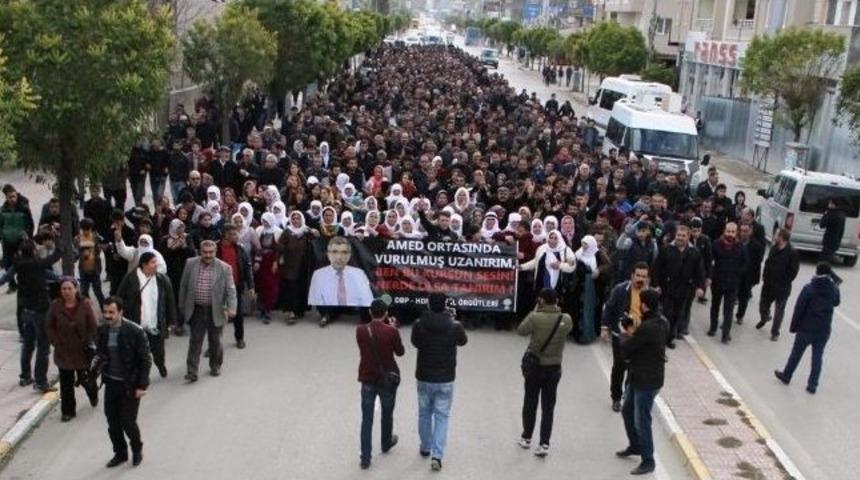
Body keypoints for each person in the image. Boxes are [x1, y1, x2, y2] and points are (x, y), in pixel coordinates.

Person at [410, 293, 468, 471]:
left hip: (424, 375)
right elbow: (463, 341)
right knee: (442, 416)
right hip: (446, 378)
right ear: (445, 305)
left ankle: (425, 446)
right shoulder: (454, 325)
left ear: (428, 305)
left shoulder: (419, 324)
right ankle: (437, 455)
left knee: (424, 413)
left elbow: (415, 342)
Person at [94, 297, 152, 468]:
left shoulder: (135, 331)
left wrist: (142, 385)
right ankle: (120, 453)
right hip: (111, 383)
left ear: (121, 312)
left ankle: (137, 449)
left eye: (111, 312)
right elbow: (102, 353)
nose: (108, 315)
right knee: (112, 423)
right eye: (105, 312)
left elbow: (145, 359)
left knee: (128, 422)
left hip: (130, 384)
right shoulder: (103, 330)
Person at [615, 288, 667, 476]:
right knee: (627, 410)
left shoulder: (648, 327)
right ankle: (636, 445)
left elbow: (627, 350)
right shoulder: (661, 322)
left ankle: (648, 460)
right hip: (641, 376)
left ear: (644, 305)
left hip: (646, 381)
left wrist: (624, 333)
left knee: (642, 420)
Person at [516, 288, 573, 457]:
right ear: (557, 301)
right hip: (554, 367)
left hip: (535, 366)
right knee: (548, 407)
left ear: (541, 300)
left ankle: (526, 438)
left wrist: (535, 311)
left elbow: (521, 330)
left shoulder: (535, 317)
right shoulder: (566, 319)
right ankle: (544, 443)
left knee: (530, 403)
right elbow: (567, 329)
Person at [774, 263, 841, 394]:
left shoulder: (809, 288)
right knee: (817, 356)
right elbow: (837, 302)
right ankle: (813, 384)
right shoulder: (833, 289)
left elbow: (799, 308)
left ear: (817, 272)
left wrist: (793, 327)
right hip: (823, 330)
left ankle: (787, 375)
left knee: (796, 353)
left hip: (806, 327)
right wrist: (834, 283)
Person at [178, 240, 238, 382]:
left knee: (215, 341)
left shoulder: (225, 268)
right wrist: (181, 305)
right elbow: (183, 286)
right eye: (205, 252)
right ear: (200, 251)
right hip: (196, 309)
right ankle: (192, 371)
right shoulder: (190, 264)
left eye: (211, 252)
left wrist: (232, 308)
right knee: (195, 341)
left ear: (215, 252)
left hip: (216, 309)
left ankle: (215, 366)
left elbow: (231, 290)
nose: (208, 255)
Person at [356, 298, 405, 469]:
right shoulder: (391, 331)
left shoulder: (361, 330)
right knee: (387, 412)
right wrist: (393, 328)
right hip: (387, 379)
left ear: (370, 312)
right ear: (385, 314)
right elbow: (400, 352)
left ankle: (365, 457)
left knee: (366, 419)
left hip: (367, 377)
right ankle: (386, 442)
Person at [46, 277, 99, 422]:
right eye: (64, 289)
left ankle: (93, 393)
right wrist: (55, 342)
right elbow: (49, 326)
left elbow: (93, 326)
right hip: (64, 351)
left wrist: (99, 345)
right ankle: (68, 411)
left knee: (86, 379)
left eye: (70, 288)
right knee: (66, 383)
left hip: (82, 350)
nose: (67, 291)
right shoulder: (55, 306)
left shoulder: (85, 305)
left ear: (76, 289)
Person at [115, 252, 176, 378]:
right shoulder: (130, 279)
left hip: (156, 324)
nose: (156, 265)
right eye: (153, 262)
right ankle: (141, 376)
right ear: (144, 264)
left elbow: (170, 301)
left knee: (158, 351)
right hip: (136, 323)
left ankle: (160, 364)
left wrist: (172, 321)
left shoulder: (162, 280)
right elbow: (119, 298)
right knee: (139, 353)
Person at [12, 239, 62, 392]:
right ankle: (40, 381)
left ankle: (25, 376)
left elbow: (7, 276)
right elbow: (55, 256)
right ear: (33, 251)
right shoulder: (37, 263)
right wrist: (58, 241)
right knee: (43, 347)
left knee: (28, 344)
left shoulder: (18, 263)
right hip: (40, 310)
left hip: (26, 309)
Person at [601, 262, 650, 412]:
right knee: (619, 367)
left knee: (634, 369)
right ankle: (616, 398)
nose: (640, 279)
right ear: (632, 275)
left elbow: (655, 313)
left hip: (640, 337)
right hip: (621, 335)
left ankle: (629, 398)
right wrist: (604, 327)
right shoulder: (620, 289)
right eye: (638, 275)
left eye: (643, 276)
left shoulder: (649, 293)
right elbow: (609, 308)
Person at [652, 225, 705, 347]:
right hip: (668, 288)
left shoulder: (694, 252)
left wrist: (700, 287)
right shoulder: (666, 249)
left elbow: (700, 271)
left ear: (688, 237)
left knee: (678, 315)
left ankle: (670, 337)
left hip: (685, 289)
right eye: (678, 235)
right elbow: (657, 268)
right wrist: (656, 284)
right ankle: (663, 338)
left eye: (683, 236)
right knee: (666, 314)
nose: (680, 238)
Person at [308, 236, 374, 324]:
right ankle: (327, 315)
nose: (339, 257)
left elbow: (366, 299)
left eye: (344, 252)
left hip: (352, 308)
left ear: (349, 255)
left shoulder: (359, 273)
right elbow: (318, 299)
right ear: (328, 254)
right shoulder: (318, 275)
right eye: (334, 252)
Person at [756, 228, 800, 341]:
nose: (774, 236)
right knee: (763, 305)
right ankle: (765, 317)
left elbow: (793, 271)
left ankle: (775, 332)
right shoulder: (774, 248)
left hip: (782, 288)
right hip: (769, 285)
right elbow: (768, 263)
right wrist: (765, 276)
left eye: (776, 235)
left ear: (782, 237)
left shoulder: (792, 253)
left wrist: (784, 281)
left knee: (779, 311)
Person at [708, 222, 747, 343]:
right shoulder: (716, 244)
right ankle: (713, 327)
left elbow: (745, 263)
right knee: (715, 305)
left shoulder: (741, 247)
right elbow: (710, 261)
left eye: (733, 232)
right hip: (718, 280)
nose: (730, 234)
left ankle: (726, 334)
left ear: (736, 233)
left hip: (732, 283)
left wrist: (737, 273)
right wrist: (711, 275)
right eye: (728, 231)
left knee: (728, 310)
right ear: (724, 231)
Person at [218, 225, 254, 348]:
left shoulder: (240, 249)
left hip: (236, 286)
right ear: (226, 235)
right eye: (233, 234)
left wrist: (250, 286)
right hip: (218, 287)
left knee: (238, 314)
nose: (236, 236)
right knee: (217, 316)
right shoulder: (216, 248)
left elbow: (247, 267)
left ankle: (239, 338)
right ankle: (214, 343)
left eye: (237, 234)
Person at [1, 184, 35, 293]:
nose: (12, 199)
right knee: (7, 263)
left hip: (21, 241)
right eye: (9, 197)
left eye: (13, 196)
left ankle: (24, 283)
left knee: (23, 262)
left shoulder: (24, 208)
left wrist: (28, 237)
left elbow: (30, 224)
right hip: (7, 241)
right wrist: (2, 236)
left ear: (16, 194)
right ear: (5, 197)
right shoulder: (3, 210)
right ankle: (12, 285)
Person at [735, 222, 766, 325]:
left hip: (747, 277)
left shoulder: (756, 246)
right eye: (742, 231)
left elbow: (757, 264)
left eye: (746, 231)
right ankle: (728, 316)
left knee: (744, 299)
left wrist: (755, 279)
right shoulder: (735, 243)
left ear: (751, 231)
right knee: (731, 297)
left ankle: (740, 315)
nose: (744, 233)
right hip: (736, 275)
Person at [819, 198, 846, 263]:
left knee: (824, 258)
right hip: (836, 240)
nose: (828, 204)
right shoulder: (842, 214)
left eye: (830, 203)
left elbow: (822, 225)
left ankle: (823, 268)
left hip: (828, 240)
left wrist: (825, 214)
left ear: (833, 204)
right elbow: (842, 230)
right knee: (829, 256)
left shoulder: (831, 214)